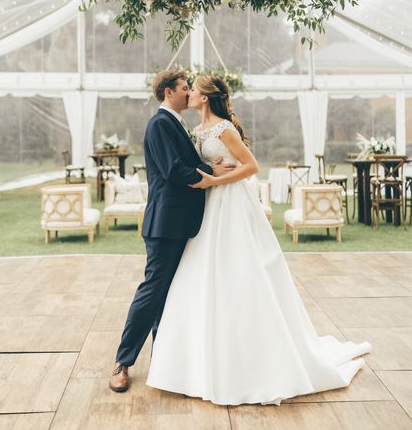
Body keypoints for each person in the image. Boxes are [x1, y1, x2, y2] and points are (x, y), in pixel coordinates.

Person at [146, 75, 371, 405]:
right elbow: (193, 165)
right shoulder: (196, 131)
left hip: (230, 204)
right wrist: (208, 178)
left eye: (193, 90)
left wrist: (212, 182)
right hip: (208, 209)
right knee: (204, 274)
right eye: (187, 88)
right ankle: (200, 357)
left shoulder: (224, 129)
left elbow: (251, 166)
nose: (189, 93)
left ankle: (253, 356)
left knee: (240, 268)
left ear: (206, 98)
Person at [109, 70, 234, 393]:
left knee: (170, 294)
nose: (188, 91)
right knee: (152, 292)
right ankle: (122, 363)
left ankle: (165, 362)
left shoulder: (177, 123)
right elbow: (174, 170)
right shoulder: (160, 124)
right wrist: (212, 172)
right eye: (183, 87)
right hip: (166, 224)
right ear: (168, 93)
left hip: (183, 223)